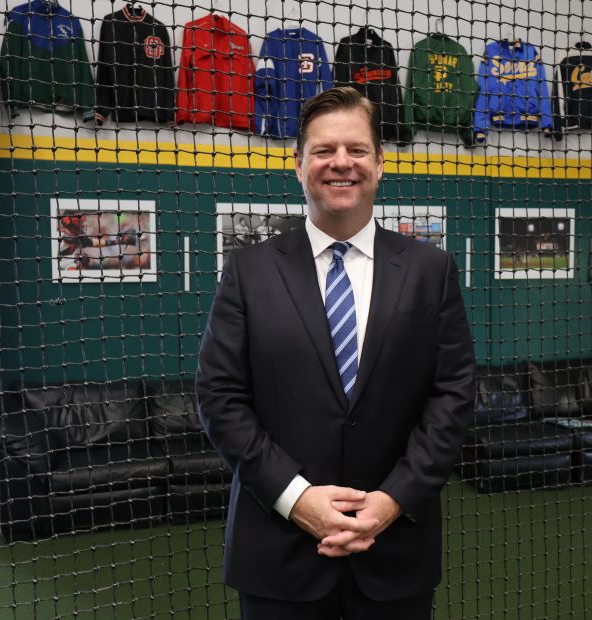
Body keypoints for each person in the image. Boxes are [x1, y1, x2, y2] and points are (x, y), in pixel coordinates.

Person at [196, 86, 475, 619]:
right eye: (323, 151)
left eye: (356, 149)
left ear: (379, 164)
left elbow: (453, 396)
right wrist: (297, 499)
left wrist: (392, 501)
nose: (341, 163)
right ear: (298, 164)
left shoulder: (428, 270)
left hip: (394, 552)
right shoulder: (248, 272)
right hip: (279, 553)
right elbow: (219, 397)